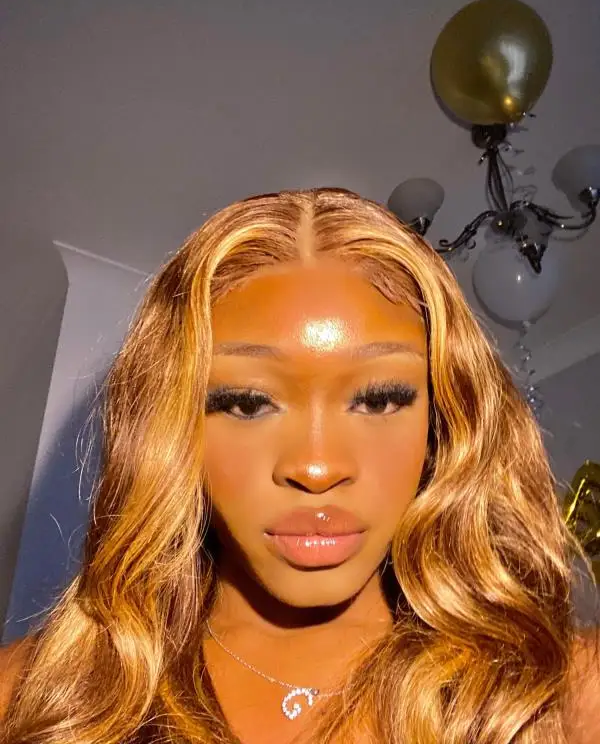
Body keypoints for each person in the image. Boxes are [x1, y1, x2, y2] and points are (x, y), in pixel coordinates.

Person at [0, 187, 598, 744]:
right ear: (172, 428)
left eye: (379, 399)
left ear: (444, 421)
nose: (316, 468)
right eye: (246, 403)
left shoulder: (566, 697)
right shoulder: (31, 697)